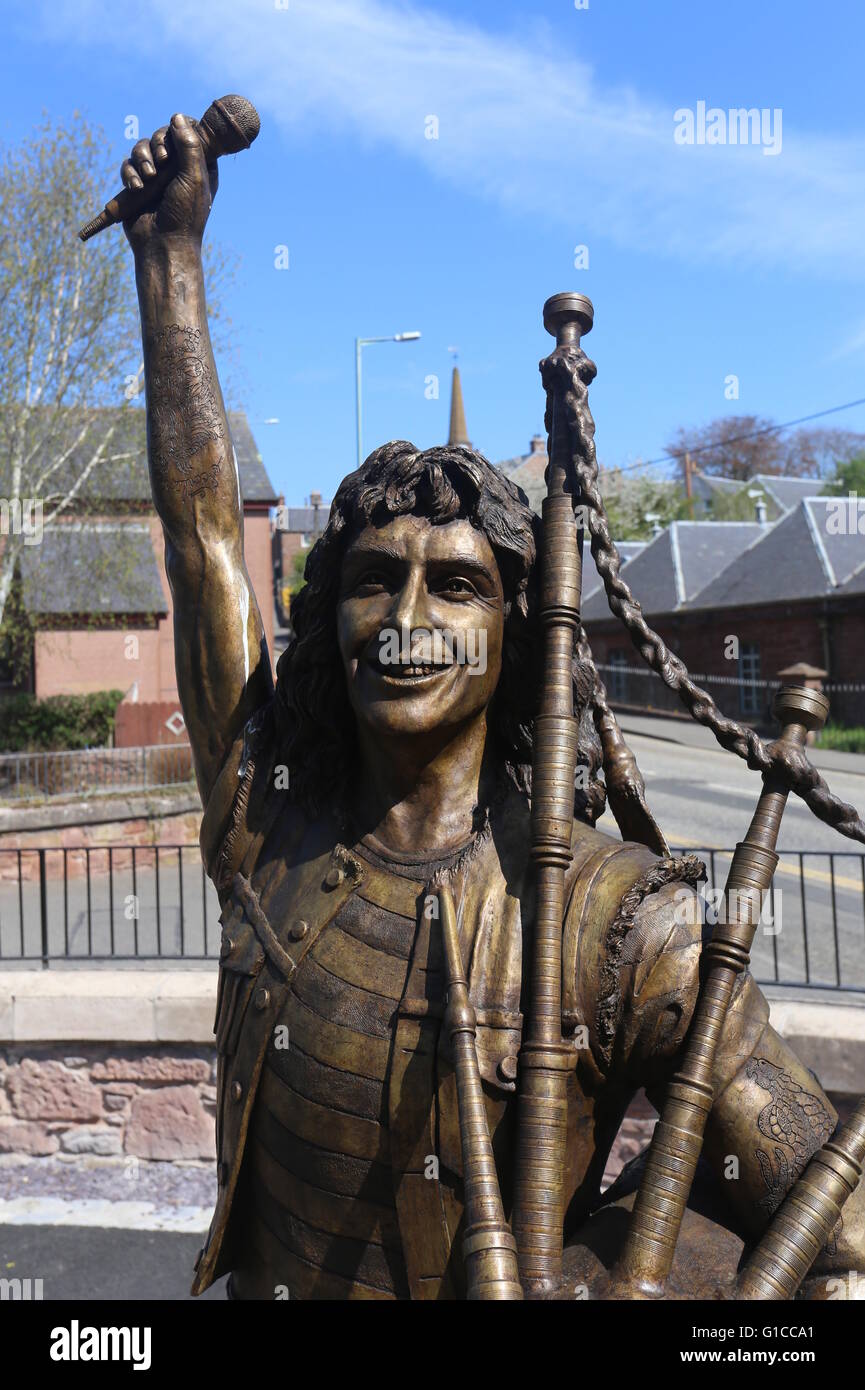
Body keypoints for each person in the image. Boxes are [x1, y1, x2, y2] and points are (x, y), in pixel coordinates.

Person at [121, 113, 865, 1299]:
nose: (409, 614)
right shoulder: (272, 818)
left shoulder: (616, 922)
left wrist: (598, 1268)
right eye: (374, 578)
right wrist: (170, 262)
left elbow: (834, 1217)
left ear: (516, 634)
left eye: (457, 585)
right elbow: (205, 540)